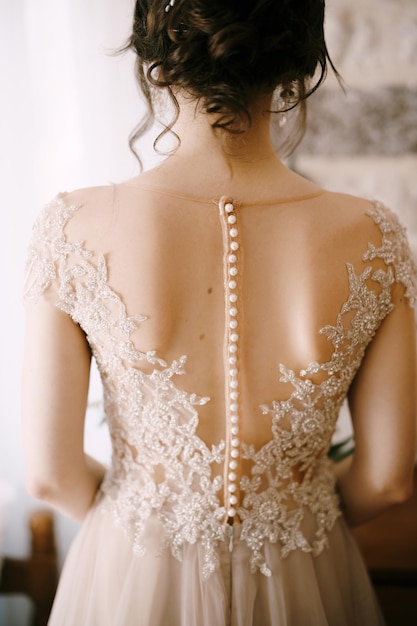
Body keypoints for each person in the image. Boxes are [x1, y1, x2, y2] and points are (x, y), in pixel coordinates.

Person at [22, 1, 417, 624]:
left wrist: (153, 511)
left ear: (155, 62)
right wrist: (291, 516)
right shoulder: (374, 234)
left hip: (132, 571)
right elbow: (389, 479)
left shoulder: (72, 227)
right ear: (300, 64)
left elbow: (49, 476)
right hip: (305, 570)